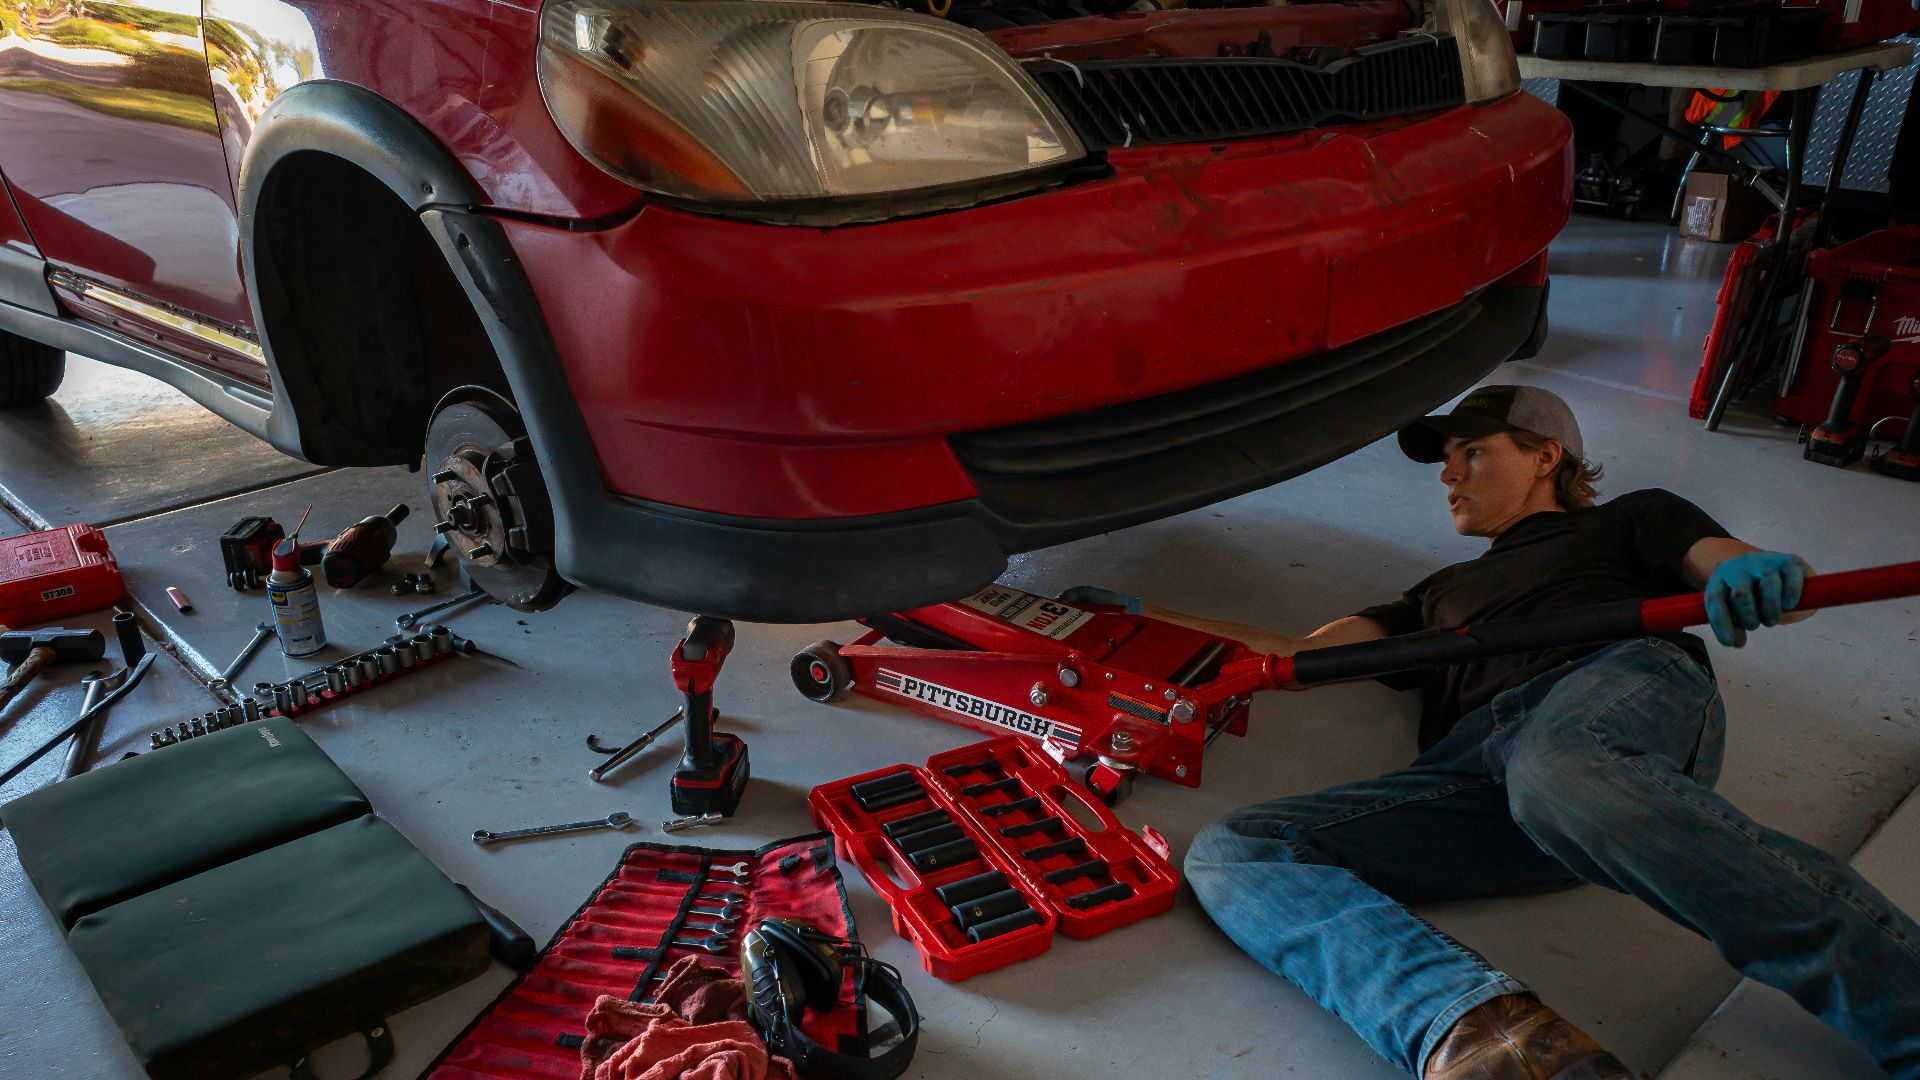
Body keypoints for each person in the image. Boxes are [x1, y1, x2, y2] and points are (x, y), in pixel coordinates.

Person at [1069, 385, 1920, 1080]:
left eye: (1473, 451)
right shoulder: (1434, 593)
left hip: (1612, 689)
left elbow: (1725, 562)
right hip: (1482, 774)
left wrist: (1769, 577)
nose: (1449, 475)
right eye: (1445, 461)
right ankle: (1495, 1044)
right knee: (1236, 852)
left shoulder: (1627, 518)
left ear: (1548, 456)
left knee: (1558, 774)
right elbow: (1298, 657)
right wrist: (1146, 622)